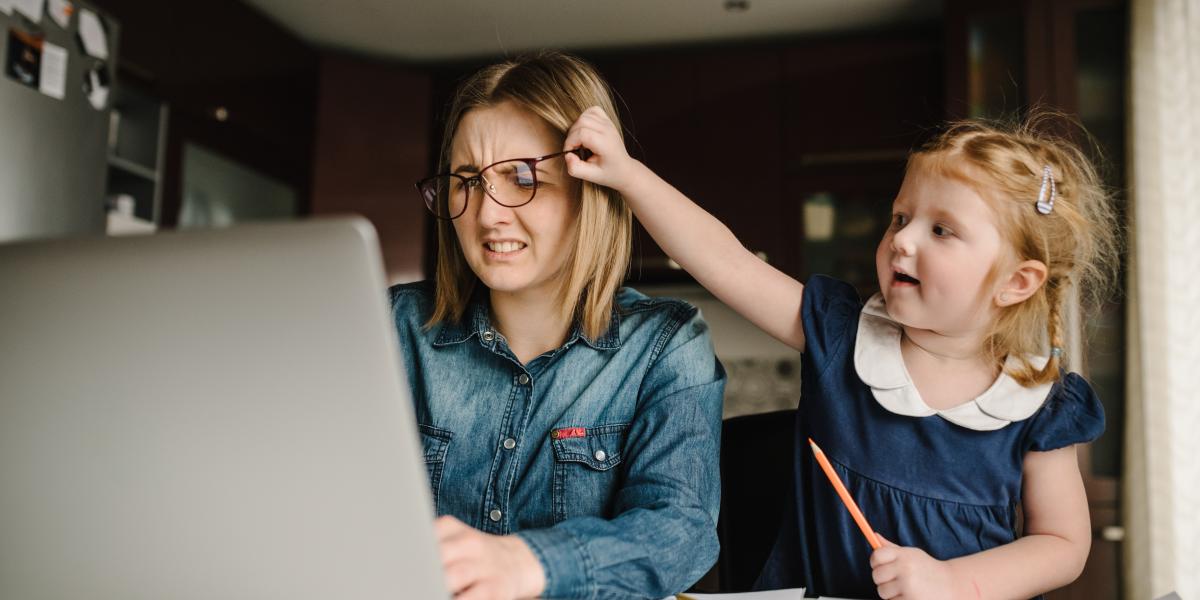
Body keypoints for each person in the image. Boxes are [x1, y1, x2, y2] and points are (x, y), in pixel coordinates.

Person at [564, 108, 1119, 599]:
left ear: (1017, 282)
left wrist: (954, 585)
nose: (902, 239)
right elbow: (726, 262)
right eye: (900, 218)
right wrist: (627, 175)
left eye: (942, 230)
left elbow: (1062, 545)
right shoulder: (840, 335)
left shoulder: (1040, 403)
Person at [390, 51, 725, 600]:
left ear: (590, 189)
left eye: (522, 177)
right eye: (467, 180)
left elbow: (680, 532)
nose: (487, 213)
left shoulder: (665, 345)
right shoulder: (396, 329)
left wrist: (530, 563)